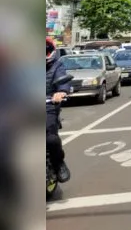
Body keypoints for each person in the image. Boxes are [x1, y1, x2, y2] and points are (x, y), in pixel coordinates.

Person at [46, 38, 71, 183]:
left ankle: (58, 163)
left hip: (47, 106)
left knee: (50, 139)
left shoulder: (57, 66)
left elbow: (63, 81)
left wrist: (61, 92)